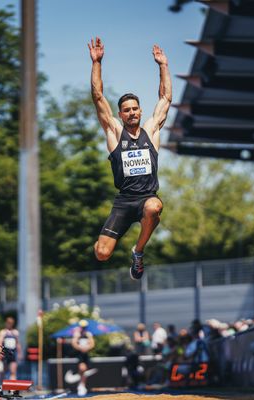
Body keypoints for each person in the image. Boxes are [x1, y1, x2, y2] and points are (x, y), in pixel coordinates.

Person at [88, 36, 172, 280]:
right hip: (124, 203)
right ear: (121, 114)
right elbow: (97, 97)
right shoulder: (115, 132)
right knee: (102, 253)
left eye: (135, 108)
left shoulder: (151, 131)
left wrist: (163, 65)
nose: (132, 112)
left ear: (140, 110)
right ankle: (102, 241)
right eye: (127, 110)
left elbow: (165, 99)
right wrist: (96, 63)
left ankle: (138, 252)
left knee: (155, 206)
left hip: (147, 198)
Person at [72, 320, 95, 396]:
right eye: (82, 327)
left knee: (84, 370)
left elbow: (92, 344)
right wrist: (80, 348)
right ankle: (81, 385)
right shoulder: (77, 334)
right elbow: (74, 343)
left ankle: (82, 385)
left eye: (84, 327)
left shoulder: (88, 334)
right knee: (82, 369)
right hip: (79, 355)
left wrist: (87, 348)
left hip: (86, 355)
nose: (83, 328)